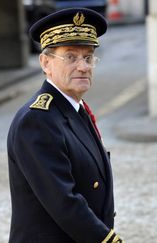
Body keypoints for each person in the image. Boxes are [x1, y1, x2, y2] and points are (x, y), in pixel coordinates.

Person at [7, 7, 123, 243]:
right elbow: (64, 201)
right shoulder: (37, 121)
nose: (83, 66)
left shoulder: (75, 109)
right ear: (45, 62)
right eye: (70, 57)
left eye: (88, 57)